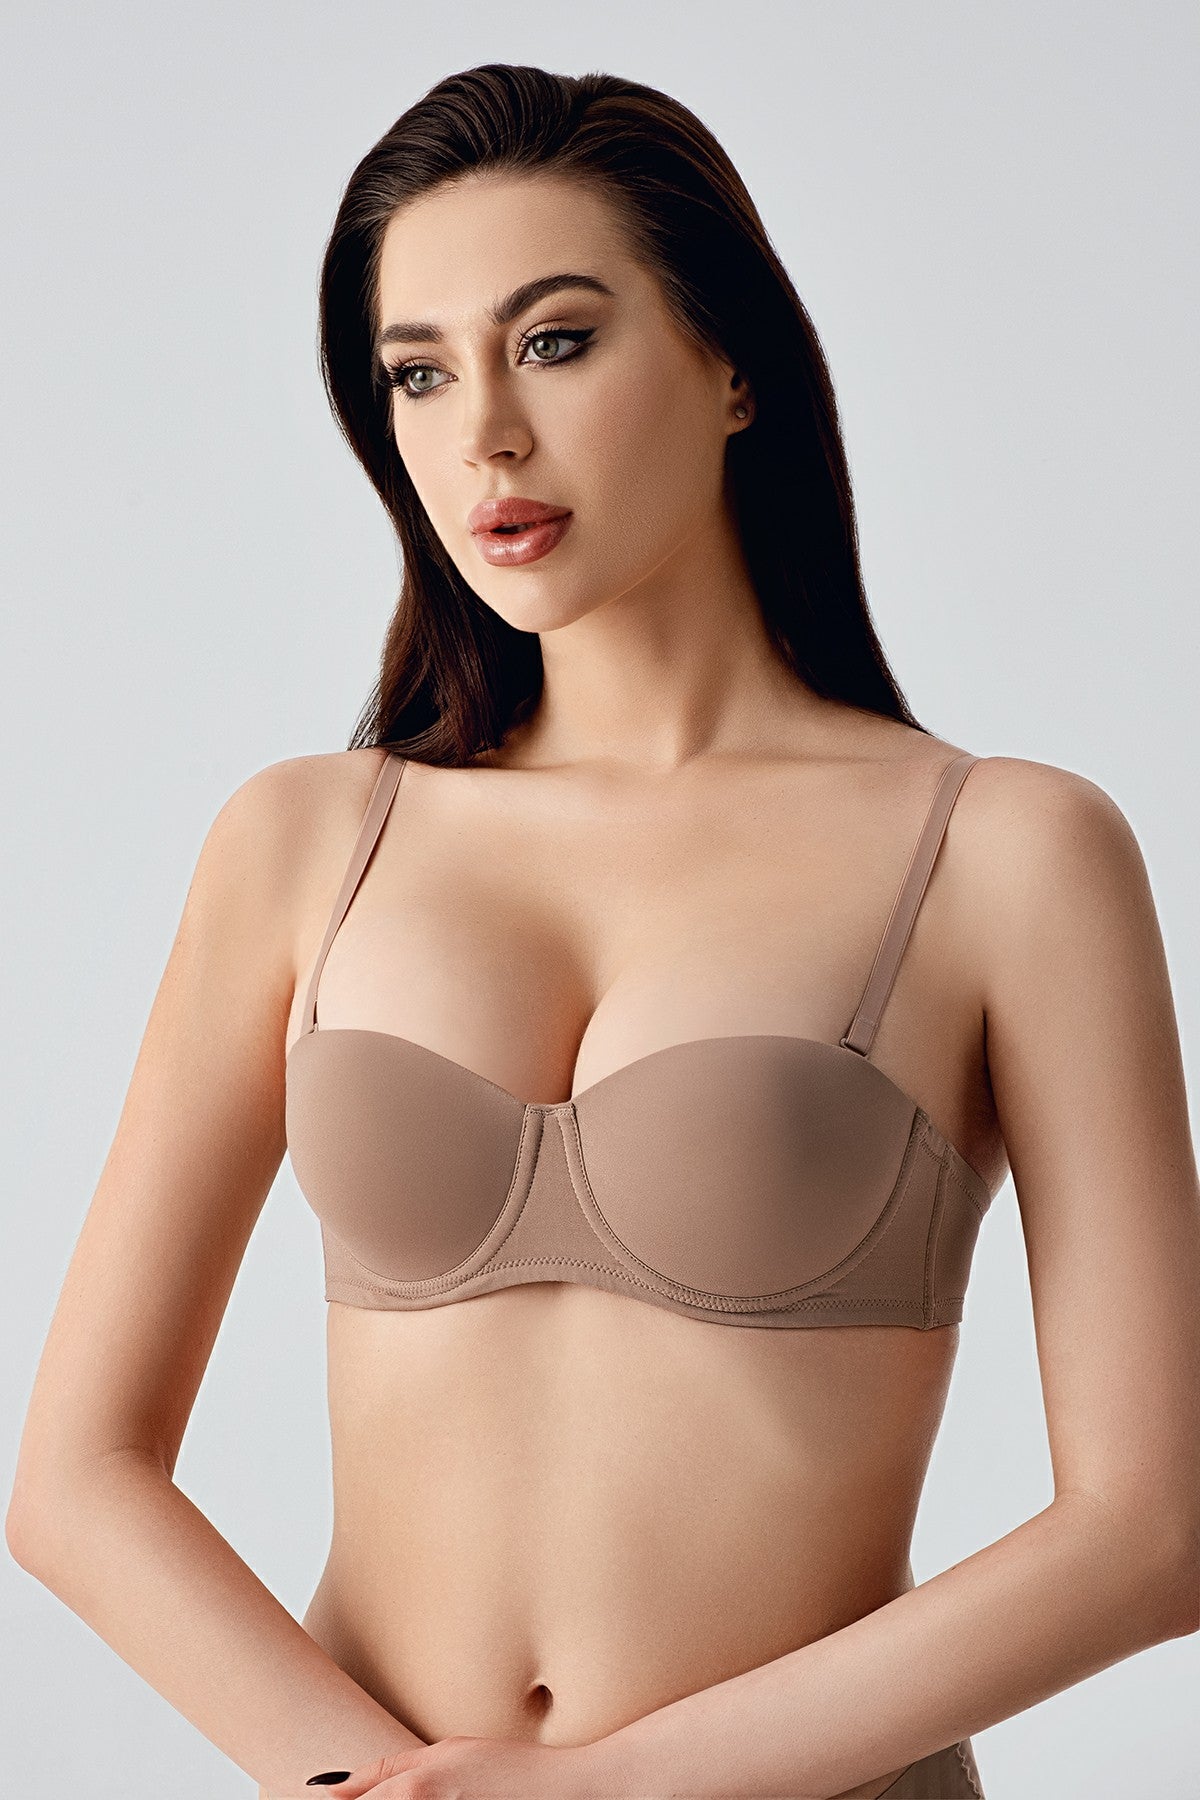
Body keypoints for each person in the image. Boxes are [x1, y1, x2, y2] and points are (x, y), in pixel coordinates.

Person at [7, 63, 1198, 1800]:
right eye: (419, 372)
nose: (483, 433)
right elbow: (76, 1476)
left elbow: (1154, 1529)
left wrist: (604, 1792)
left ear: (734, 367)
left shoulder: (1006, 854)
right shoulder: (308, 841)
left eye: (553, 342)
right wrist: (367, 1787)